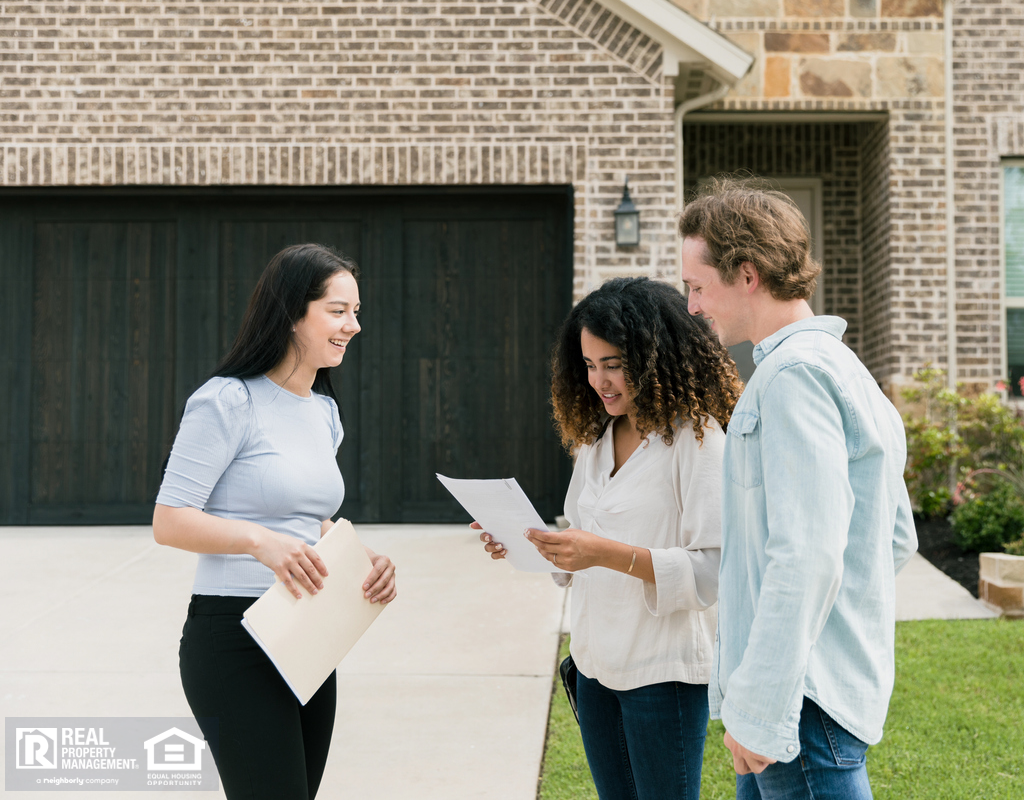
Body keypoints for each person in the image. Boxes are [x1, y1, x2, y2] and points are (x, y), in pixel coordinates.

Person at [678, 178, 918, 800]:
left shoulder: (793, 377)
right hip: (806, 694)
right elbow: (893, 539)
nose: (694, 307)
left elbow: (809, 552)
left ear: (747, 274)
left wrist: (759, 705)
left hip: (796, 707)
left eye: (698, 287)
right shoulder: (843, 369)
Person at [478, 277, 742, 800]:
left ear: (654, 356)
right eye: (590, 365)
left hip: (661, 678)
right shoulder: (597, 443)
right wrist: (522, 538)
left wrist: (605, 553)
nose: (600, 381)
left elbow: (714, 572)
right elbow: (576, 551)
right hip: (595, 669)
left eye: (615, 364)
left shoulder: (699, 441)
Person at [152, 243, 397, 800]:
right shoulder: (226, 401)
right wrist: (259, 543)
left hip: (309, 633)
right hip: (234, 638)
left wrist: (363, 560)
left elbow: (308, 517)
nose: (354, 326)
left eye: (356, 312)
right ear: (291, 312)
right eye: (338, 311)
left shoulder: (324, 412)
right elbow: (169, 520)